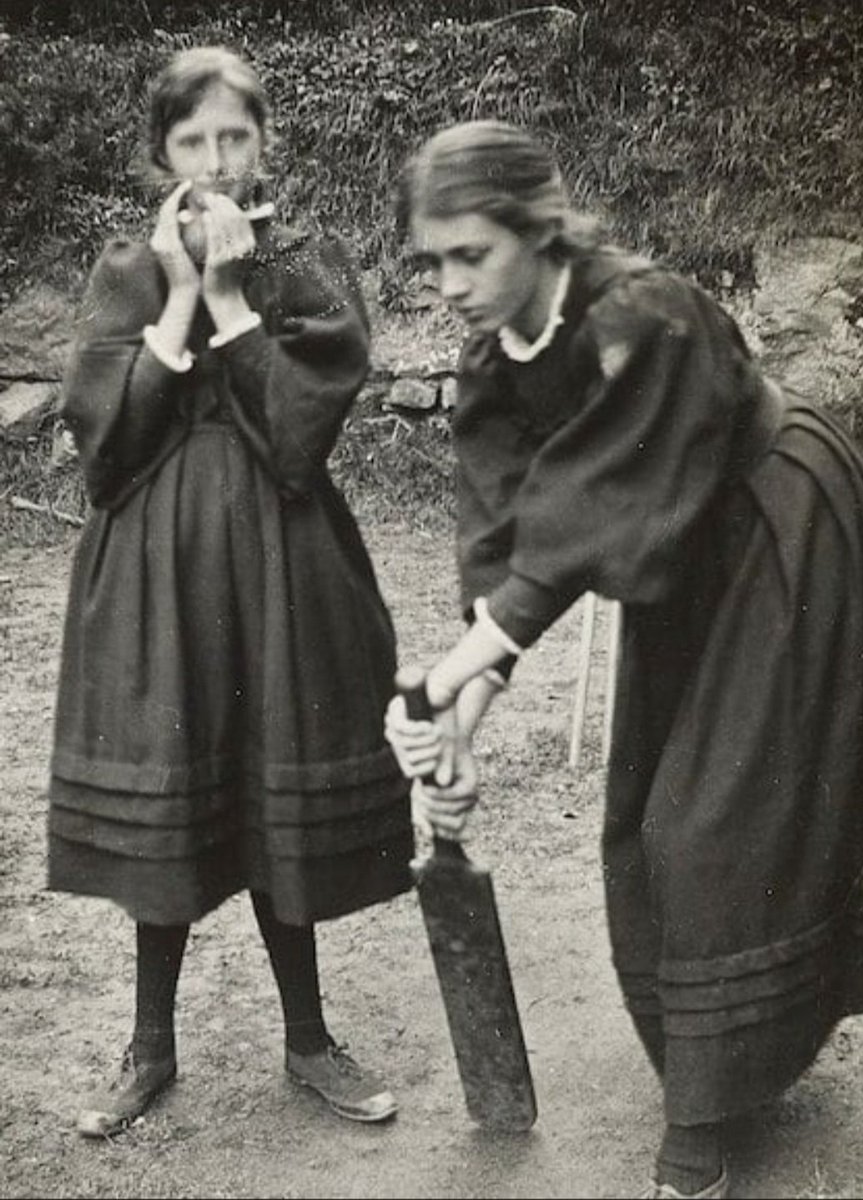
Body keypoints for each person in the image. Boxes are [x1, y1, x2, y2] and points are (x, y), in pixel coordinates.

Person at [383, 120, 863, 1200]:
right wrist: (460, 719)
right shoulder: (493, 360)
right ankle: (717, 1067)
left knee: (716, 825)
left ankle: (700, 1130)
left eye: (471, 254)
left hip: (780, 533)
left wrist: (460, 668)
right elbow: (507, 549)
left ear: (538, 229)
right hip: (677, 561)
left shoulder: (642, 314)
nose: (449, 285)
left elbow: (594, 518)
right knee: (646, 816)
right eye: (432, 263)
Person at [49, 46, 413, 1138]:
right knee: (171, 785)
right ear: (161, 153)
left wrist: (227, 296)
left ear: (264, 141)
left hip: (282, 565)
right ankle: (149, 1047)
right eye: (193, 140)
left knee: (273, 780)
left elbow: (300, 439)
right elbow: (107, 455)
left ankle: (308, 1039)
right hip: (153, 573)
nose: (216, 159)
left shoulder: (303, 263)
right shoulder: (126, 268)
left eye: (235, 136)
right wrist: (175, 299)